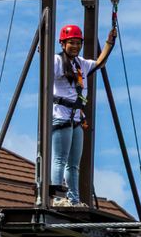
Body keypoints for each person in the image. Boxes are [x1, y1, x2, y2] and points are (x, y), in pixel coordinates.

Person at [50, 21, 116, 208]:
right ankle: (56, 197)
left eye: (78, 43)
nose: (75, 46)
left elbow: (100, 63)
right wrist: (43, 51)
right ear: (63, 44)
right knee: (60, 159)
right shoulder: (56, 61)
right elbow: (46, 67)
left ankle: (74, 199)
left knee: (73, 164)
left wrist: (109, 44)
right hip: (61, 116)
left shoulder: (81, 64)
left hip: (76, 118)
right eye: (71, 42)